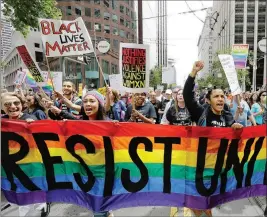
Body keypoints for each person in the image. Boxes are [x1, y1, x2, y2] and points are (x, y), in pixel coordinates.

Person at [1, 92, 50, 217]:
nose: (12, 106)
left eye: (16, 103)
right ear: (2, 107)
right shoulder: (3, 121)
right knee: (18, 192)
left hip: (31, 165)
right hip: (11, 165)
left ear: (22, 105)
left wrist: (32, 126)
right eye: (7, 104)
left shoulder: (30, 119)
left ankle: (41, 207)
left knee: (32, 193)